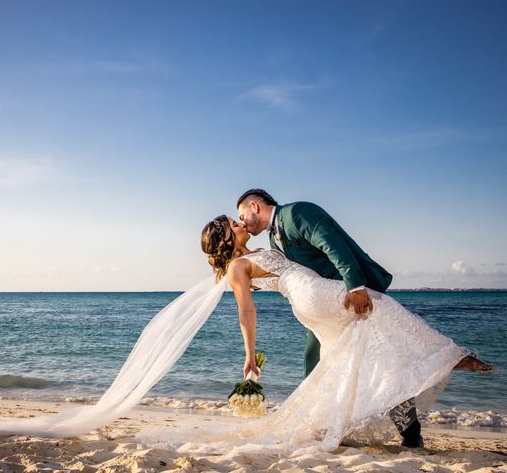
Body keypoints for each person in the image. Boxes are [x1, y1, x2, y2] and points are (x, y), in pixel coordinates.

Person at [157, 213, 491, 453]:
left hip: (309, 303)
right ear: (226, 238)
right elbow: (246, 311)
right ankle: (451, 355)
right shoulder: (236, 267)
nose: (241, 222)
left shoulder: (255, 254)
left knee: (366, 359)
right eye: (234, 223)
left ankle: (399, 430)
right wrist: (249, 357)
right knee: (381, 308)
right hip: (311, 295)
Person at [236, 188, 416, 446]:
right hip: (326, 309)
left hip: (349, 297)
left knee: (380, 364)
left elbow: (333, 245)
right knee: (314, 363)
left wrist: (355, 286)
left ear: (254, 206)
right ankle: (322, 427)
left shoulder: (298, 213)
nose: (242, 221)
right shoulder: (275, 241)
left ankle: (411, 434)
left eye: (242, 215)